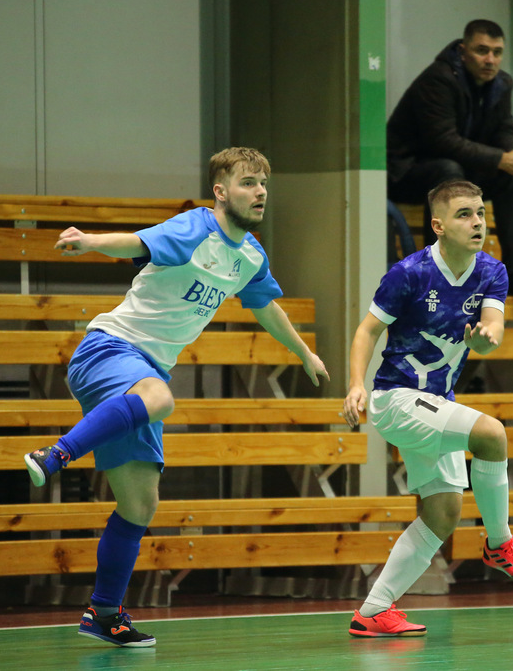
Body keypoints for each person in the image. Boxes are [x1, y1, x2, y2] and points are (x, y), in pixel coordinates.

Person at [24, 147, 329, 648]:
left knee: (140, 504)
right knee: (161, 397)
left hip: (142, 372)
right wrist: (90, 241)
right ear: (221, 191)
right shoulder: (195, 228)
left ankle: (103, 614)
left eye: (263, 184)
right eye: (248, 182)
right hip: (109, 349)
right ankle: (55, 454)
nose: (259, 192)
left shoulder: (250, 256)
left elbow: (266, 306)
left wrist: (304, 353)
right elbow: (138, 243)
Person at [342, 179, 513, 638]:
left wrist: (485, 342)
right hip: (396, 399)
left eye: (481, 213)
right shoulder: (409, 274)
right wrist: (356, 384)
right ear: (438, 225)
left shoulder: (492, 272)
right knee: (492, 434)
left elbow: (493, 328)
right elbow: (366, 331)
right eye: (464, 214)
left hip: (436, 404)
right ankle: (500, 544)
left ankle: (373, 610)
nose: (477, 223)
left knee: (444, 512)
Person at [387, 19, 513, 298]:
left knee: (507, 174)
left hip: (455, 170)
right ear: (463, 52)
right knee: (449, 172)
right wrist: (501, 158)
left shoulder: (502, 83)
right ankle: (440, 272)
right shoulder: (438, 79)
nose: (490, 60)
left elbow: (503, 130)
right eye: (482, 50)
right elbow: (441, 141)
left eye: (497, 52)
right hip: (404, 173)